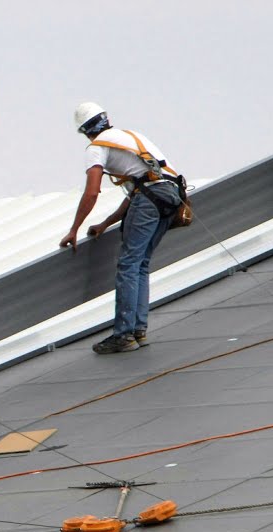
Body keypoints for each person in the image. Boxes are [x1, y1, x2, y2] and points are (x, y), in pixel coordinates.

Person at [60, 102, 183, 354]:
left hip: (151, 197)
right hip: (171, 195)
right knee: (141, 263)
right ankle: (138, 330)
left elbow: (92, 191)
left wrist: (74, 229)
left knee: (129, 264)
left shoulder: (97, 147)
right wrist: (106, 223)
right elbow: (140, 190)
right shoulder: (131, 137)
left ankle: (124, 335)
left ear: (85, 130)